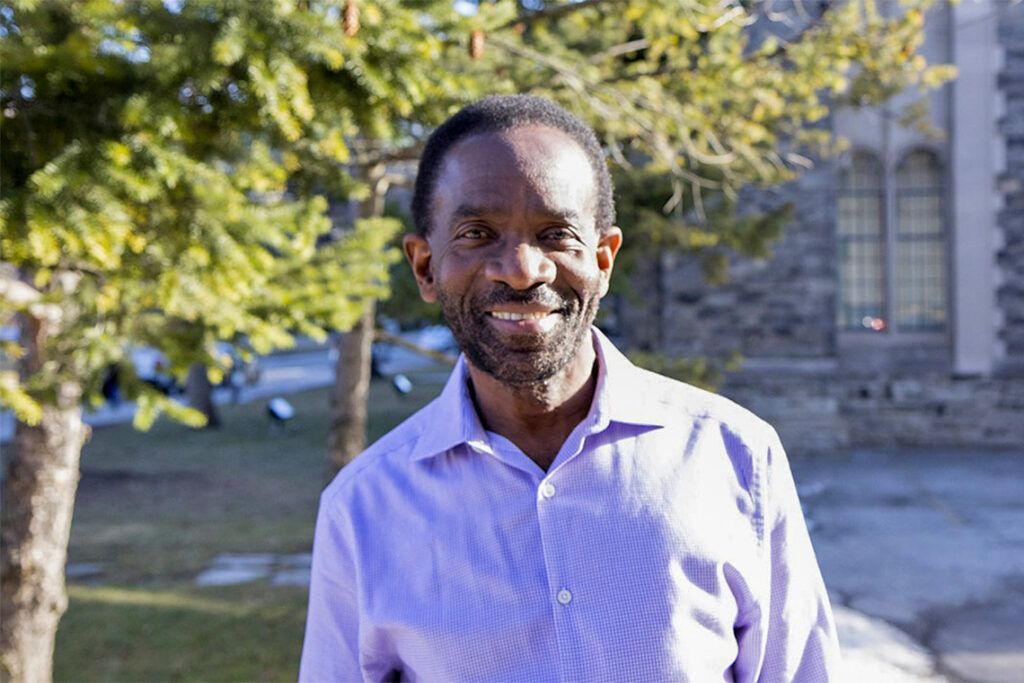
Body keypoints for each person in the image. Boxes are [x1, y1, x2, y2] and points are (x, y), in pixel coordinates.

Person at [299, 95, 839, 681]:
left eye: (556, 233)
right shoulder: (362, 510)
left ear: (604, 259)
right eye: (477, 233)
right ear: (425, 266)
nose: (523, 269)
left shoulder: (736, 457)